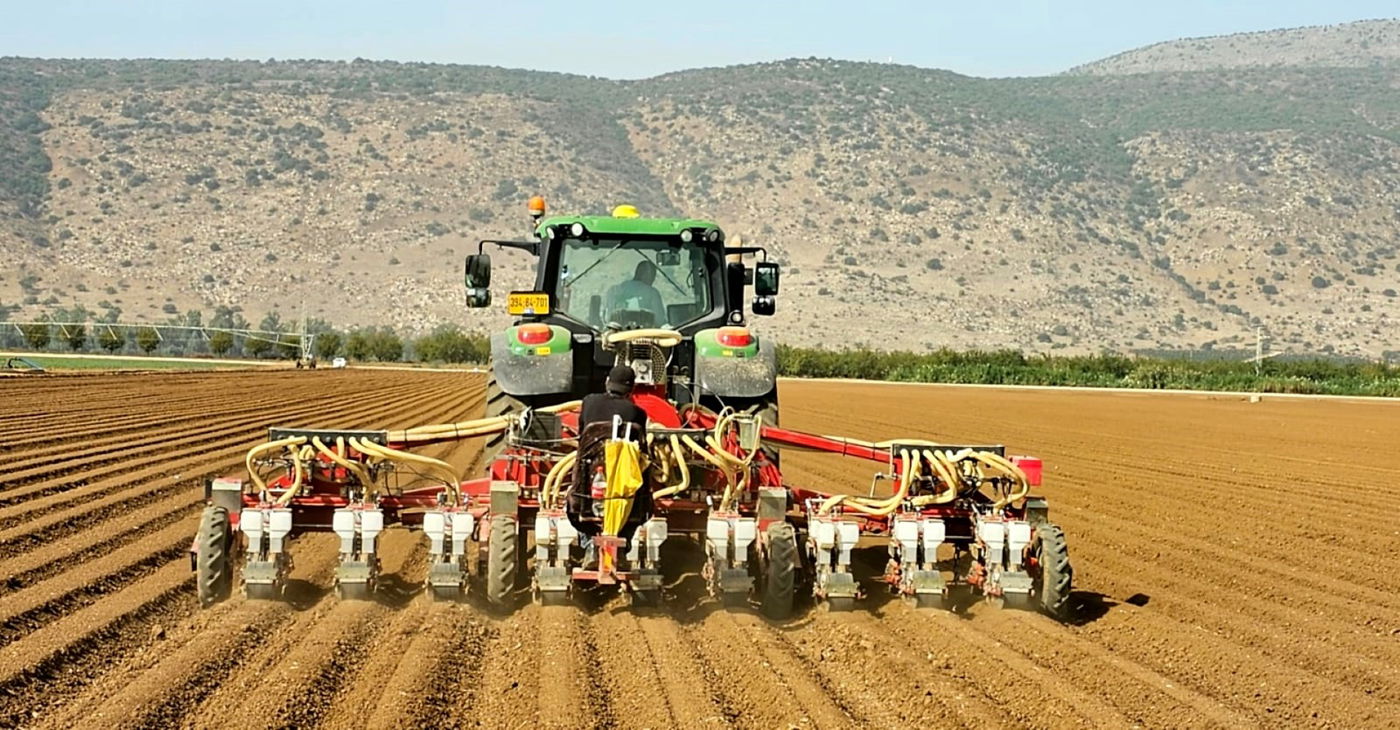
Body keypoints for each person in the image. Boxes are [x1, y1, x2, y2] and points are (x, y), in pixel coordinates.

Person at [579, 364, 647, 440]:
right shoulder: (637, 412)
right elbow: (640, 443)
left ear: (607, 381)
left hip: (589, 451)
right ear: (633, 388)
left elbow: (581, 434)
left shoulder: (588, 401)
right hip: (620, 452)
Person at [605, 260, 666, 326]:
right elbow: (659, 320)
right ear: (646, 274)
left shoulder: (614, 291)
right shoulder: (652, 293)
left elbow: (608, 319)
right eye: (653, 277)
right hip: (646, 334)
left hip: (617, 334)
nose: (652, 281)